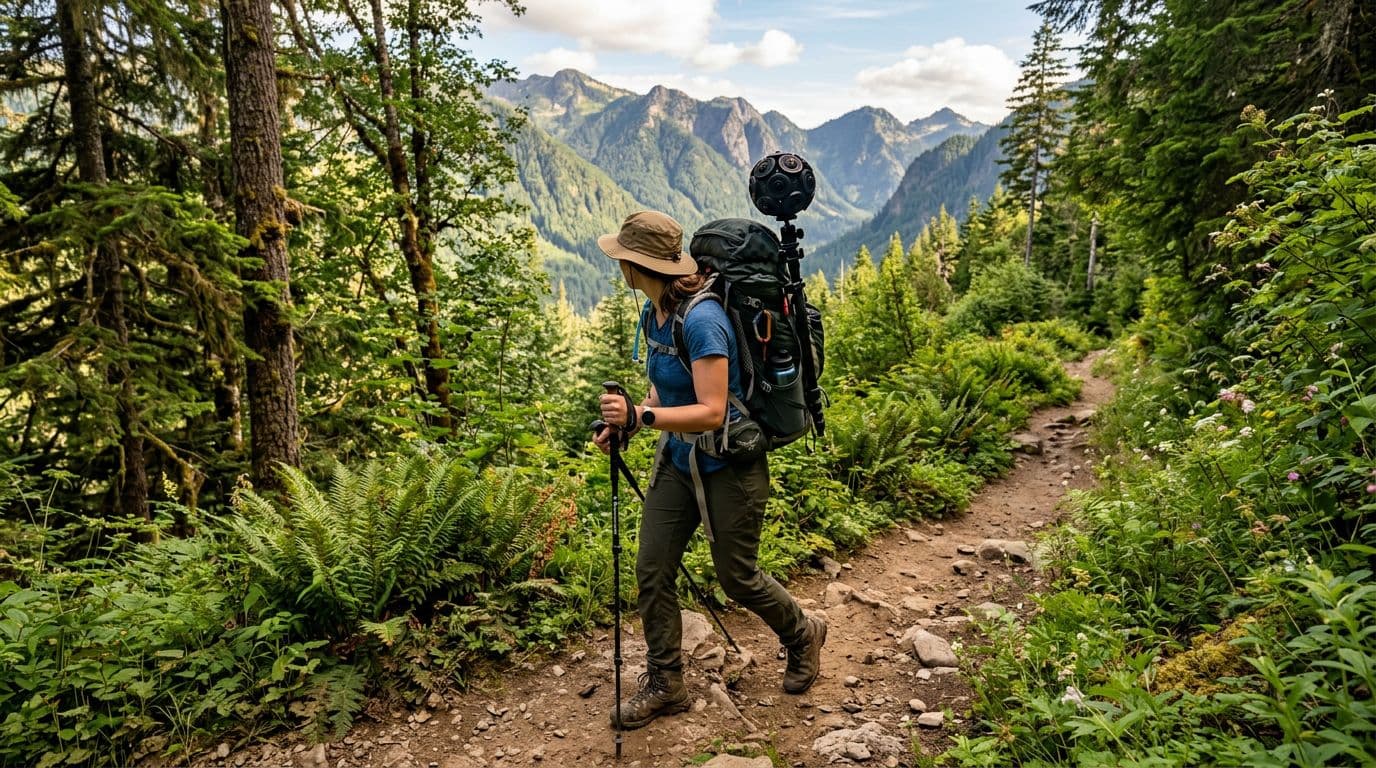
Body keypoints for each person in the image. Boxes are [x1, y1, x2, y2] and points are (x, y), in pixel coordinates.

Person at [593, 210, 826, 730]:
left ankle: (803, 634)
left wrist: (641, 415)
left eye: (622, 260)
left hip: (731, 466)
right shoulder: (656, 313)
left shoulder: (702, 320)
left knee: (738, 577)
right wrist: (632, 422)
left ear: (638, 265)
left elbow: (713, 409)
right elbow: (665, 387)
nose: (619, 268)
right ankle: (667, 681)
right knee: (652, 570)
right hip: (679, 461)